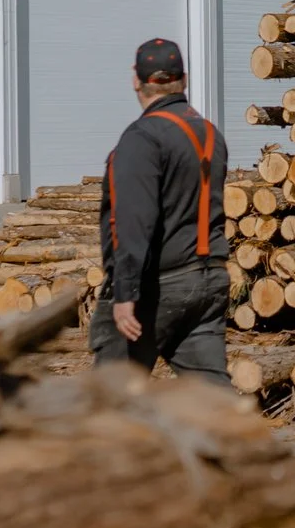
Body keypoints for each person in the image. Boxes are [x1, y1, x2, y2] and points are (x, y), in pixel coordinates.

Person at [92, 38, 232, 388]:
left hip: (157, 287)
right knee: (212, 401)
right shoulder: (209, 134)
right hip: (208, 280)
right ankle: (243, 442)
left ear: (135, 81)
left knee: (108, 401)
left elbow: (134, 220)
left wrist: (124, 294)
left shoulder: (142, 138)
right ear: (182, 79)